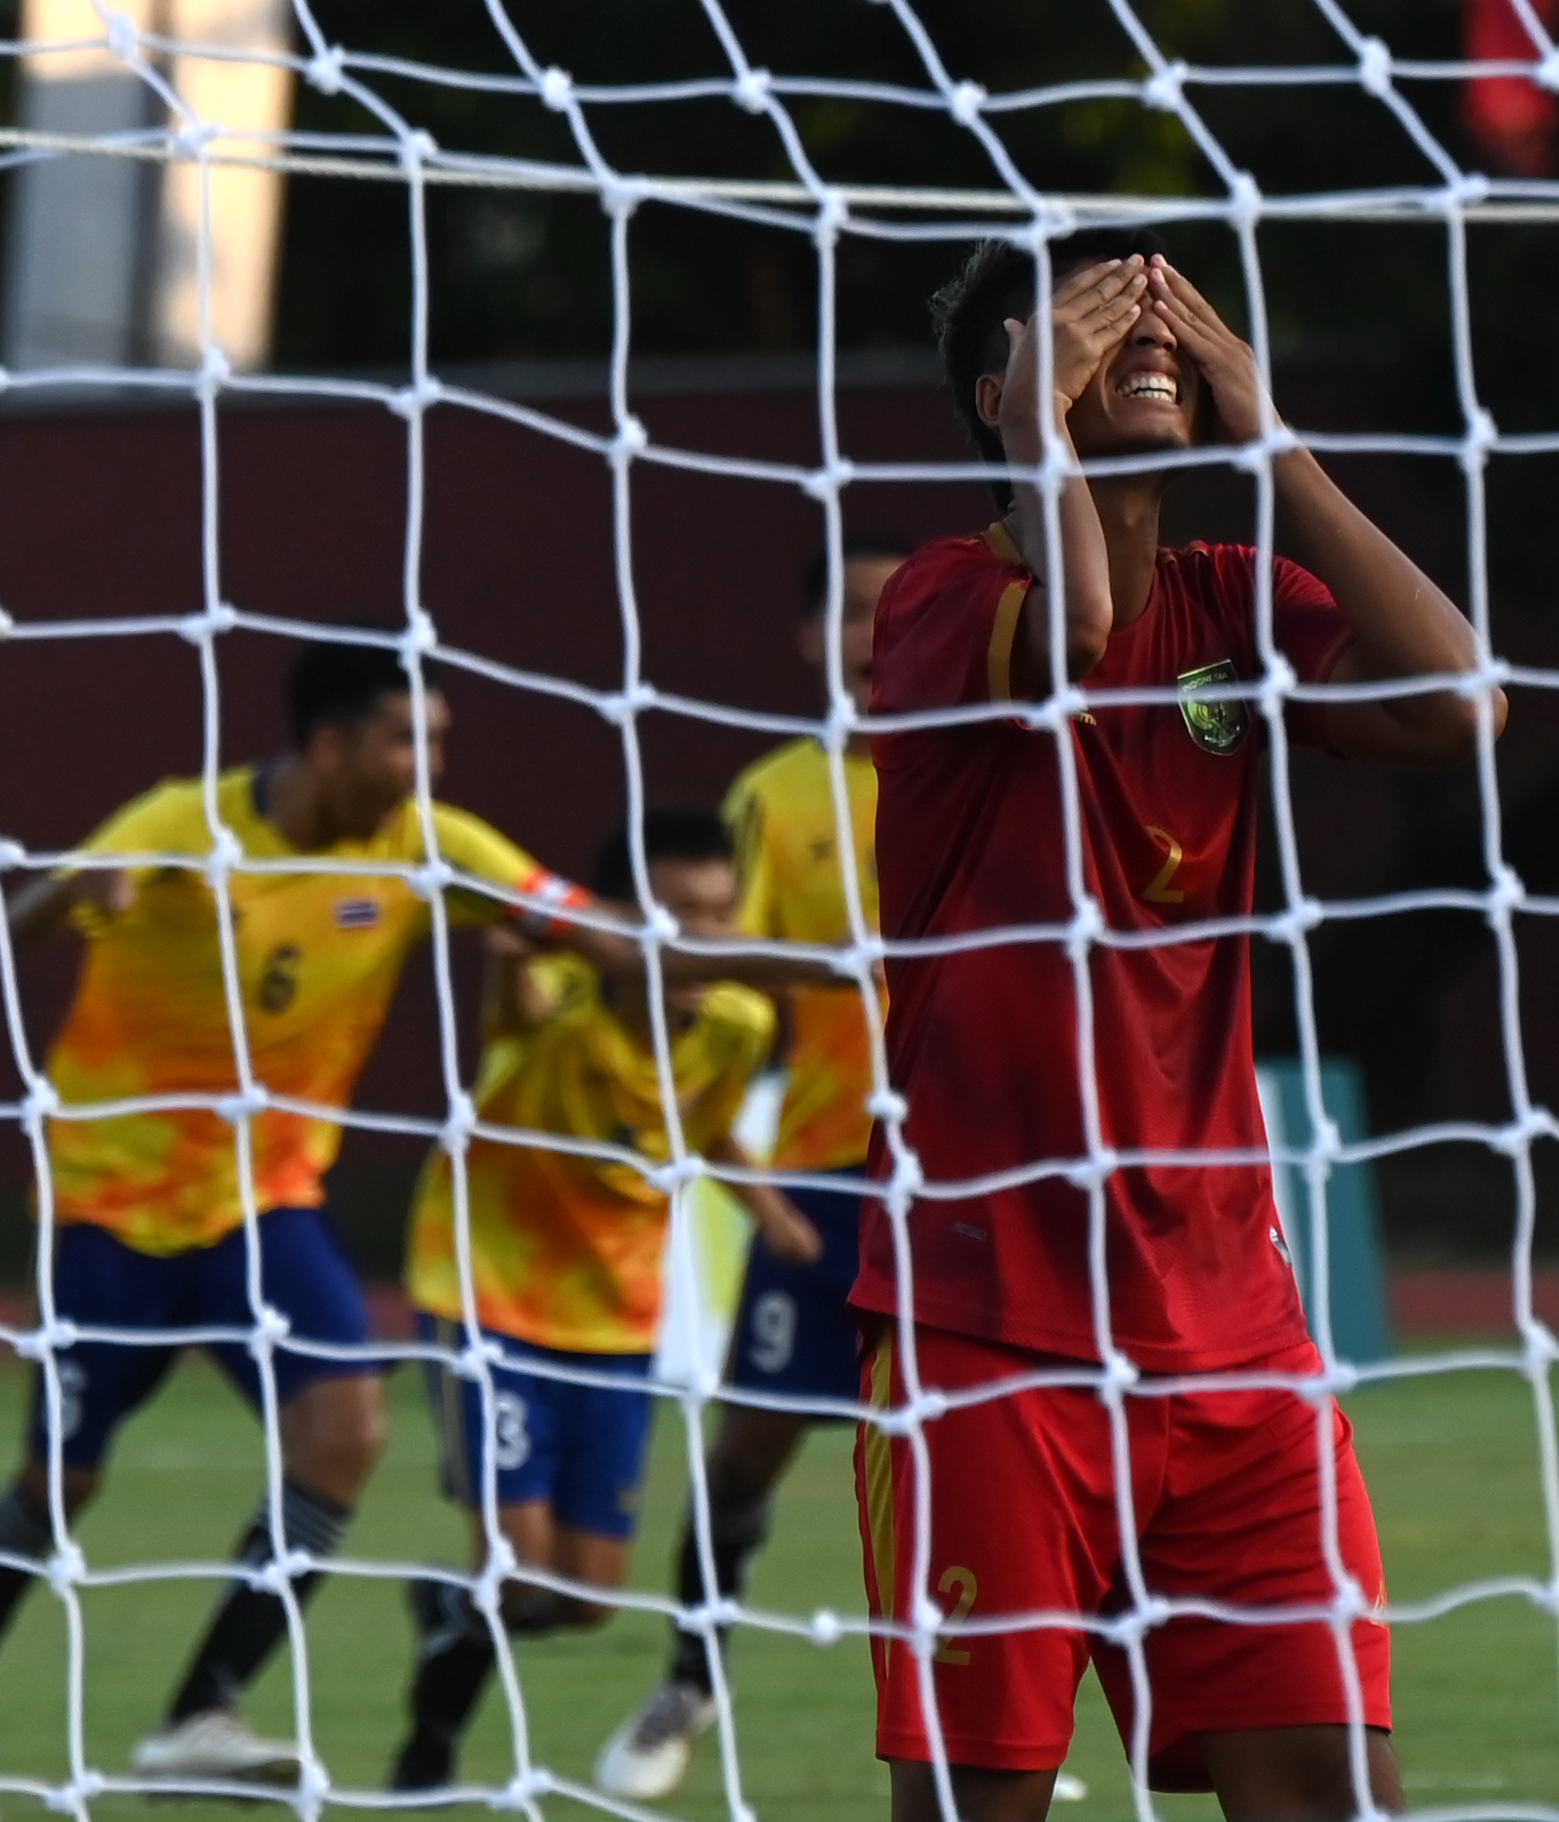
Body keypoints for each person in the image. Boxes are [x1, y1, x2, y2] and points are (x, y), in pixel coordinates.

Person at [0, 642, 805, 1816]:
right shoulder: (183, 821)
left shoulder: (427, 844)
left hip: (266, 1205)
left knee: (347, 1428)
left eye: (437, 741)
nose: (426, 765)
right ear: (330, 745)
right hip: (109, 1211)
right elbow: (21, 922)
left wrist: (832, 969)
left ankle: (199, 1712)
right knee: (58, 1487)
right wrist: (73, 892)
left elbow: (615, 938)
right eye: (404, 741)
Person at [856, 234, 1498, 1822]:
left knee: (1339, 1792)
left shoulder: (1237, 602)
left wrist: (1271, 435)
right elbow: (1070, 630)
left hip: (1234, 1339)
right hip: (988, 1340)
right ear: (1000, 386)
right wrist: (1039, 425)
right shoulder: (943, 604)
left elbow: (1460, 702)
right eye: (1092, 323)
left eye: (1170, 325)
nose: (1149, 341)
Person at [390, 807, 808, 1790]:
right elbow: (518, 1006)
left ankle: (442, 1616)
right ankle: (427, 1754)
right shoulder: (556, 989)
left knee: (585, 1602)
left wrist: (767, 1206)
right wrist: (507, 960)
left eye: (718, 910)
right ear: (620, 915)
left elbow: (695, 1127)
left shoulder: (740, 1020)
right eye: (676, 910)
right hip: (489, 1296)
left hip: (616, 1319)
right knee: (520, 1564)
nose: (701, 934)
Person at [599, 534, 910, 1800]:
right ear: (808, 640)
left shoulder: (1003, 755)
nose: (871, 636)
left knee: (977, 1456)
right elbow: (717, 965)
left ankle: (987, 1704)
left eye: (896, 612)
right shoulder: (778, 797)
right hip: (835, 1163)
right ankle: (690, 1674)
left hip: (987, 1174)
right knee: (754, 1447)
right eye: (849, 614)